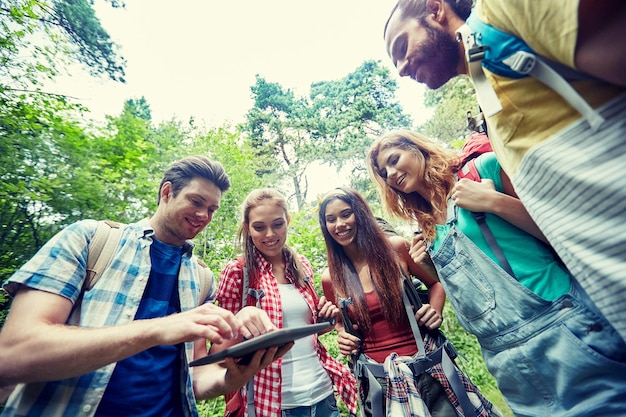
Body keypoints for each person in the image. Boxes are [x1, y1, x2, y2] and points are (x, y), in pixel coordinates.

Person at [383, 0, 626, 344]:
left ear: (435, 9)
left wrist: (493, 202)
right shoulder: (487, 95)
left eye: (402, 47)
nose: (402, 69)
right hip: (603, 283)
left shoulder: (500, 11)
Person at [0, 156, 291, 417]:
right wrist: (158, 329)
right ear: (167, 192)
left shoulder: (201, 278)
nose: (204, 215)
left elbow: (197, 379)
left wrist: (233, 379)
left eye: (212, 209)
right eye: (196, 202)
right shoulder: (89, 240)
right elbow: (12, 355)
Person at [367, 130, 626, 416]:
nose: (391, 173)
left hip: (560, 324)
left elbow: (563, 232)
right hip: (503, 358)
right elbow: (475, 283)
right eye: (383, 171)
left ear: (416, 149)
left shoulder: (483, 170)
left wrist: (494, 202)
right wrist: (430, 267)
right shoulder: (427, 224)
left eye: (394, 159)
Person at [317, 187, 500, 417]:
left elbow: (436, 283)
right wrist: (342, 334)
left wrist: (435, 310)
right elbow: (342, 321)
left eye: (346, 214)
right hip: (380, 380)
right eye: (331, 219)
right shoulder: (331, 277)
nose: (340, 224)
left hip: (429, 367)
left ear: (360, 214)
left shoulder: (395, 248)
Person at [213, 188, 358, 417]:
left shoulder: (302, 266)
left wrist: (324, 320)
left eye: (278, 224)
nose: (270, 234)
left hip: (322, 394)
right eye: (259, 227)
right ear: (247, 228)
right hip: (272, 403)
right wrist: (240, 322)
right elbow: (220, 353)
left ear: (288, 221)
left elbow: (303, 333)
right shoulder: (238, 273)